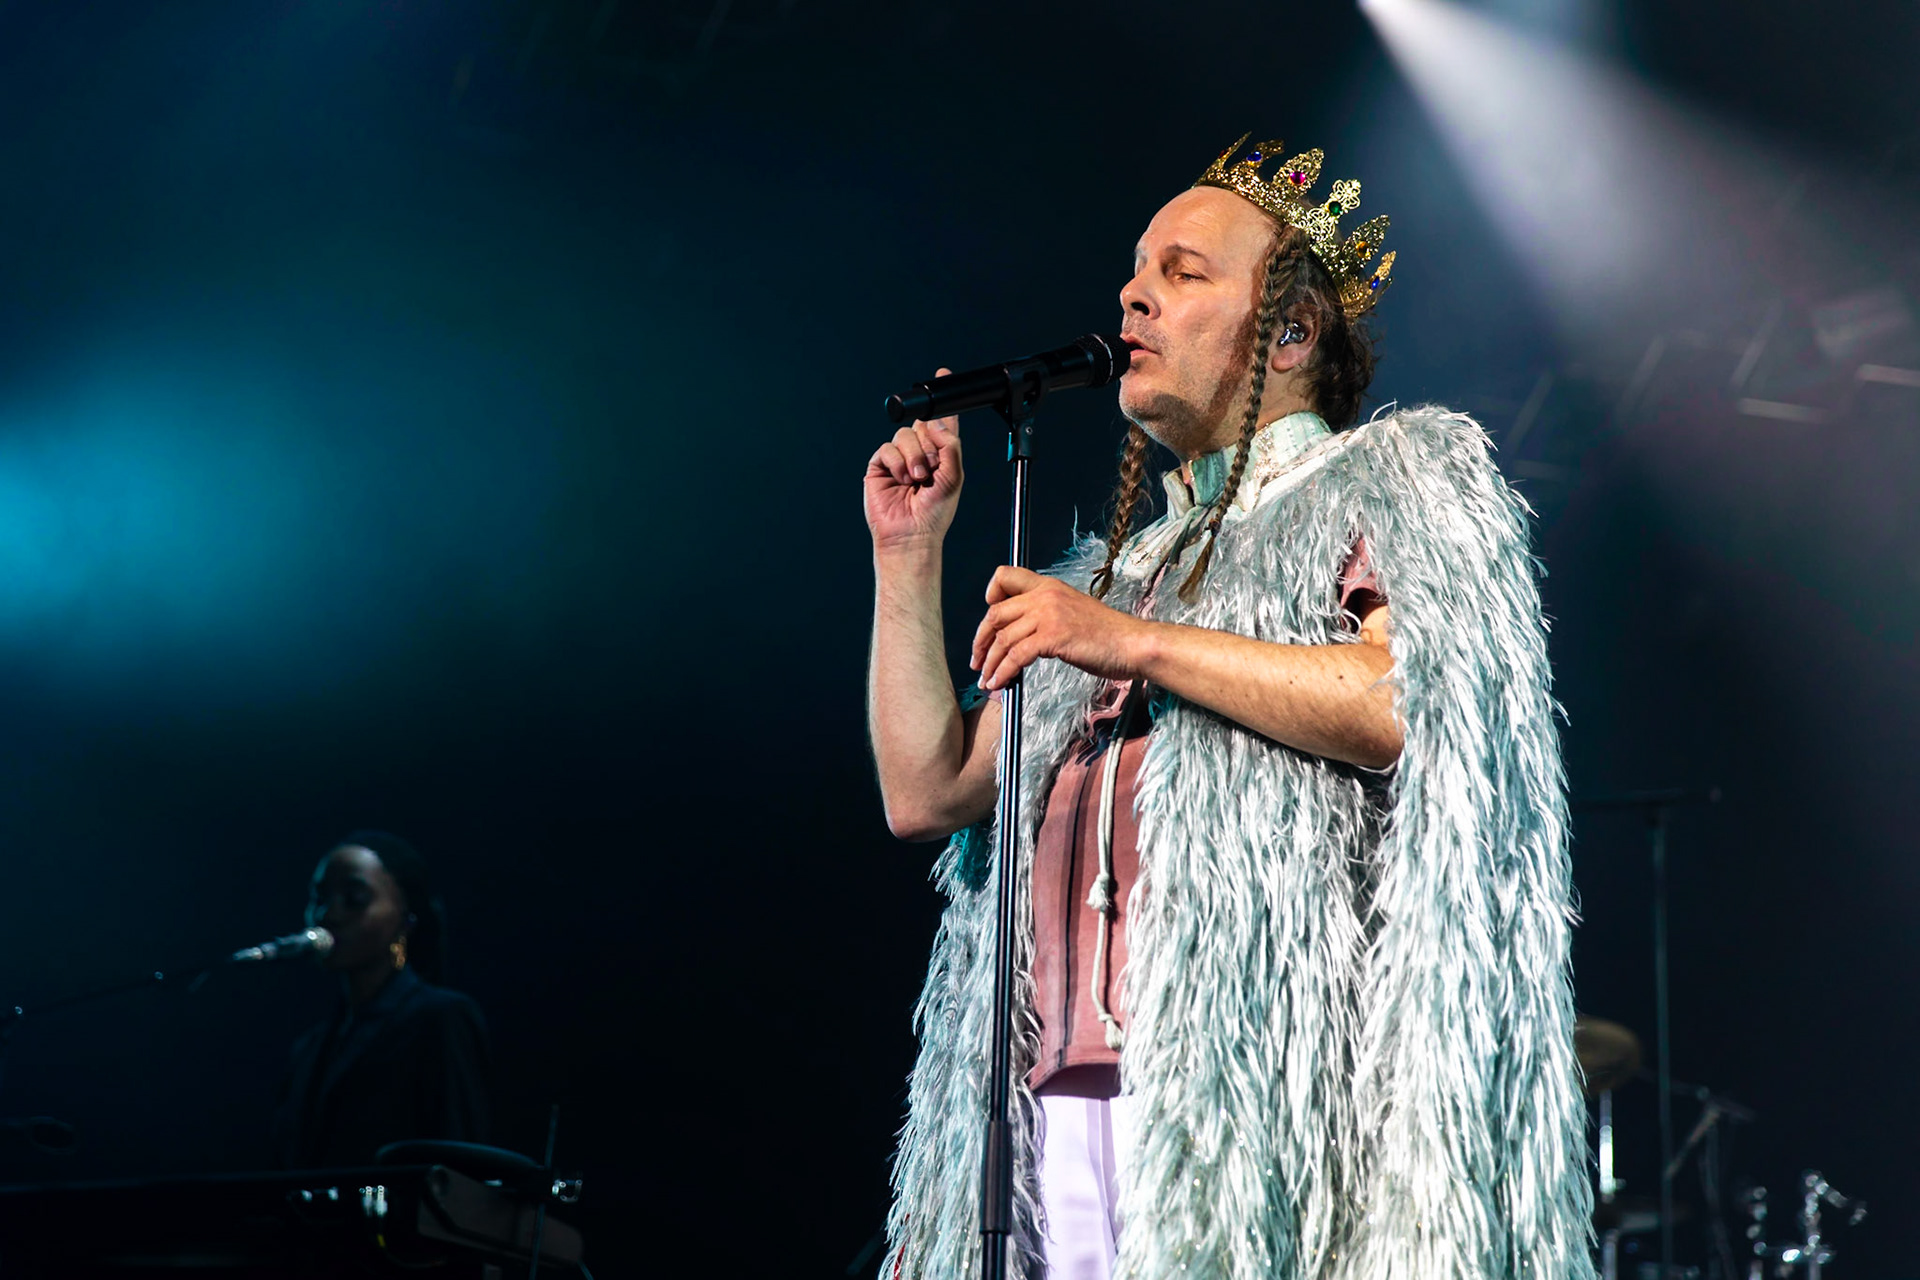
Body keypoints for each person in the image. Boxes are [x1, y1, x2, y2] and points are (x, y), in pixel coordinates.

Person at [866, 136, 1592, 1279]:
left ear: (1291, 332)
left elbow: (1407, 699)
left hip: (1252, 1103)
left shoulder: (1386, 482)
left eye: (1184, 271)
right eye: (1134, 276)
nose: (1134, 297)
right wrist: (909, 559)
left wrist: (1132, 641)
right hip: (1051, 1099)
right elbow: (930, 790)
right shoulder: (1111, 572)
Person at [271, 831, 490, 1168]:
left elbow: (460, 1167)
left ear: (405, 919)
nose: (328, 914)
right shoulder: (309, 1049)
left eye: (355, 898)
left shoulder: (440, 1018)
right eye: (319, 897)